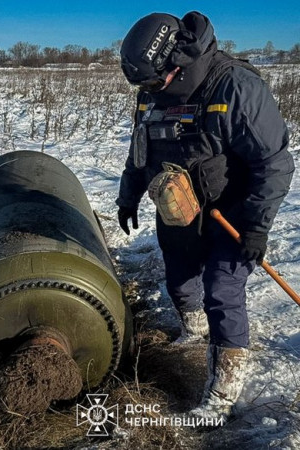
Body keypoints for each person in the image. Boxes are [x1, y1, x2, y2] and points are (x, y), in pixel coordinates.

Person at [116, 11, 294, 419]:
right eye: (141, 85)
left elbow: (275, 164)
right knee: (180, 282)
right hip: (177, 209)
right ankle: (194, 330)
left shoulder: (235, 86)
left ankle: (222, 394)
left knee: (222, 291)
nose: (147, 91)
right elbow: (140, 150)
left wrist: (255, 226)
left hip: (231, 213)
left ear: (176, 60)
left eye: (151, 82)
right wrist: (129, 197)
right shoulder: (151, 92)